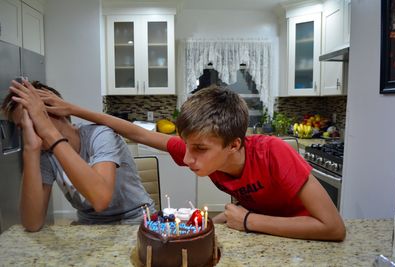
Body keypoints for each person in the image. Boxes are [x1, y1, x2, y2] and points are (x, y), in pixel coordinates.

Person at [10, 81, 346, 241]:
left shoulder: (275, 152)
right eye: (186, 146)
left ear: (234, 145)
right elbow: (138, 134)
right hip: (266, 237)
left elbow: (333, 227)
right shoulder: (200, 152)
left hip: (307, 241)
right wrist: (75, 109)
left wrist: (248, 220)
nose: (187, 158)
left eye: (198, 149)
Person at [2, 80, 155, 232]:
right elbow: (32, 223)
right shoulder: (44, 152)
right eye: (23, 127)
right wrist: (30, 150)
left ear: (52, 113)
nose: (29, 131)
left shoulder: (100, 135)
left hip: (135, 219)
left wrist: (48, 130)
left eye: (32, 120)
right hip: (90, 223)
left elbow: (100, 199)